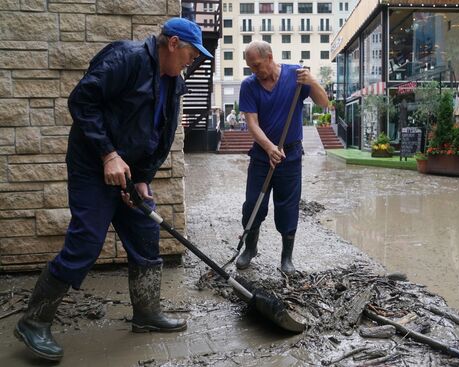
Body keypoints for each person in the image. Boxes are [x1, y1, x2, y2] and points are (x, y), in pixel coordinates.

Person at [13, 18, 212, 361]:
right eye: (192, 54)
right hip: (94, 165)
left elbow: (160, 135)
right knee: (87, 241)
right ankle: (34, 321)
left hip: (129, 171)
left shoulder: (174, 82)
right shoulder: (127, 58)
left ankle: (146, 314)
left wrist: (142, 178)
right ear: (174, 43)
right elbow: (81, 102)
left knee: (145, 233)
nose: (192, 62)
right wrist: (108, 154)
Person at [236, 41, 329, 273]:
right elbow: (252, 124)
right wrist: (268, 148)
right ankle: (250, 248)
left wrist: (313, 82)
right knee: (252, 204)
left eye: (256, 65)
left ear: (270, 57)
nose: (254, 71)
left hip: (291, 154)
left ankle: (286, 257)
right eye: (250, 67)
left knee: (287, 206)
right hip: (261, 154)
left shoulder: (296, 77)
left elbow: (324, 103)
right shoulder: (249, 86)